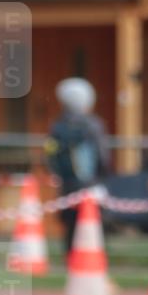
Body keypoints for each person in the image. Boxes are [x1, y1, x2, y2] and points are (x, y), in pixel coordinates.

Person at [45, 77, 111, 253]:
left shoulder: (57, 126)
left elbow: (50, 153)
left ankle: (70, 255)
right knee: (92, 220)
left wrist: (56, 173)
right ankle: (92, 254)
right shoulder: (94, 125)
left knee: (70, 221)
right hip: (91, 182)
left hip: (67, 183)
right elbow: (103, 156)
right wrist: (103, 176)